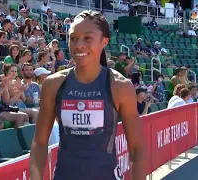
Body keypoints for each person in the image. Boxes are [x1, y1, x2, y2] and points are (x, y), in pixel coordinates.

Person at [29, 10, 146, 180]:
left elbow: (137, 149)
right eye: (74, 38)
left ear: (104, 41)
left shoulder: (120, 86)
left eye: (88, 38)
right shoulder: (53, 84)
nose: (79, 44)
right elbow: (39, 143)